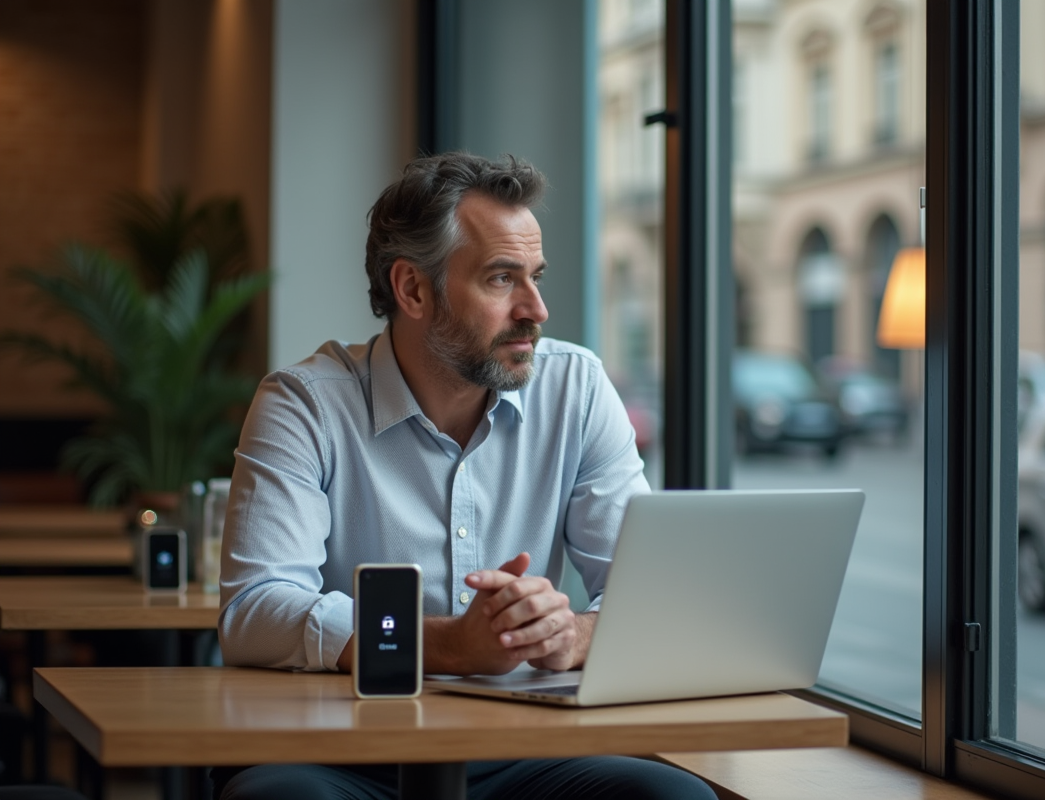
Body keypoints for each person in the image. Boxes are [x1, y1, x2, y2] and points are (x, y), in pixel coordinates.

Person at [215, 152, 716, 800]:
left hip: (527, 748)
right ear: (413, 290)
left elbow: (652, 598)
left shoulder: (577, 388)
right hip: (341, 749)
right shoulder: (305, 403)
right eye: (502, 279)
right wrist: (450, 646)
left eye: (535, 277)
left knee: (674, 798)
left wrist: (567, 633)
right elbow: (256, 611)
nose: (535, 308)